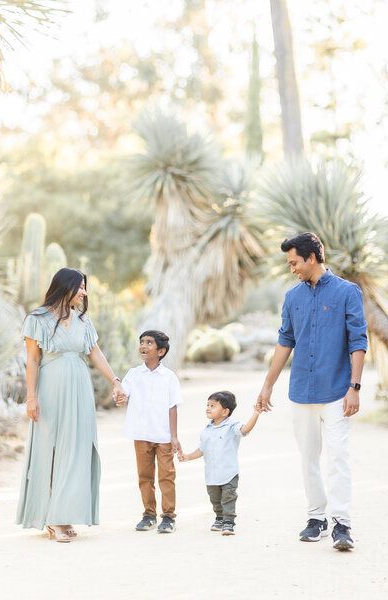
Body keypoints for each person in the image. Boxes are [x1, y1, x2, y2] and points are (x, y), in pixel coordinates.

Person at [256, 232, 367, 551]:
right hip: (301, 391)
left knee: (338, 457)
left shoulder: (348, 292)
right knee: (309, 459)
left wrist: (354, 387)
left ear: (312, 257)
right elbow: (284, 342)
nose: (291, 268)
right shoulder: (292, 298)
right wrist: (267, 385)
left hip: (336, 391)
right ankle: (316, 518)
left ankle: (342, 523)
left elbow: (358, 341)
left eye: (294, 262)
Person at [17, 268, 125, 542]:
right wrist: (31, 397)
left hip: (80, 389)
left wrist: (115, 381)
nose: (84, 293)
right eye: (81, 287)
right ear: (65, 287)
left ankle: (63, 514)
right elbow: (32, 360)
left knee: (76, 449)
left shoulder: (83, 321)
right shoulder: (37, 319)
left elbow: (95, 353)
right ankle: (53, 519)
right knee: (52, 450)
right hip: (50, 389)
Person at [115, 330, 183, 533]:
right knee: (145, 476)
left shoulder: (169, 377)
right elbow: (122, 393)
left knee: (166, 476)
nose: (143, 346)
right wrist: (118, 393)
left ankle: (169, 516)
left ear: (160, 351)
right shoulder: (134, 374)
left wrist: (174, 436)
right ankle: (149, 514)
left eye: (149, 343)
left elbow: (173, 406)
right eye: (141, 342)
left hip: (162, 436)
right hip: (141, 434)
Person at [178, 391, 260, 536]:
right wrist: (187, 457)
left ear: (225, 411)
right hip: (211, 473)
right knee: (215, 498)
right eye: (208, 405)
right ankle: (219, 517)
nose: (208, 408)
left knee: (228, 497)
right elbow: (201, 449)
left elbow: (245, 429)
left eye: (213, 406)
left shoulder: (232, 426)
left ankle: (229, 522)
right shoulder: (206, 430)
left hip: (229, 472)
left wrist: (256, 414)